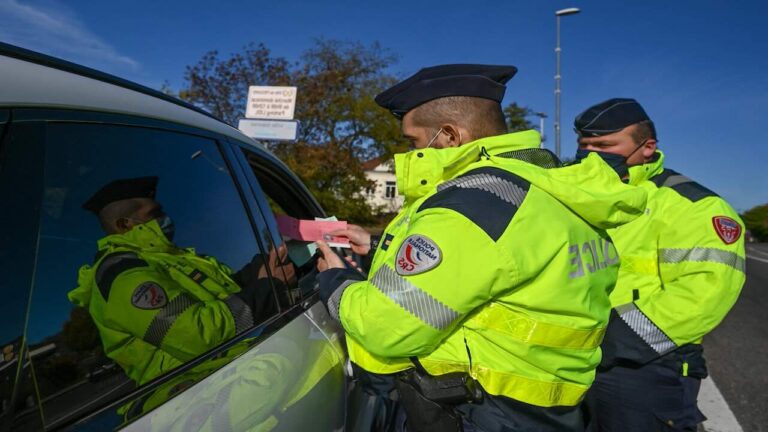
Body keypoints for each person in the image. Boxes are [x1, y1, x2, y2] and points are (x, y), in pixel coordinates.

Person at [314, 64, 648, 431]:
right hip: (547, 406)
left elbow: (385, 327)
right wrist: (377, 243)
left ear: (449, 135)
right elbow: (500, 264)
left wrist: (334, 279)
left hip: (481, 410)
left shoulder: (472, 205)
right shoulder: (546, 189)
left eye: (412, 140)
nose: (409, 151)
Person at [573, 98, 746, 432]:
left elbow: (702, 294)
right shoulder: (572, 194)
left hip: (644, 362)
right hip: (570, 356)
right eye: (585, 145)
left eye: (605, 145)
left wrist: (612, 339)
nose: (591, 154)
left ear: (647, 147)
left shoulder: (693, 205)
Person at [68, 176, 291, 385]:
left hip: (232, 368)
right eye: (155, 213)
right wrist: (269, 289)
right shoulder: (123, 276)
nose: (165, 218)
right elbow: (198, 337)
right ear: (124, 224)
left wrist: (266, 262)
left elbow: (228, 288)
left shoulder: (173, 259)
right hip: (195, 391)